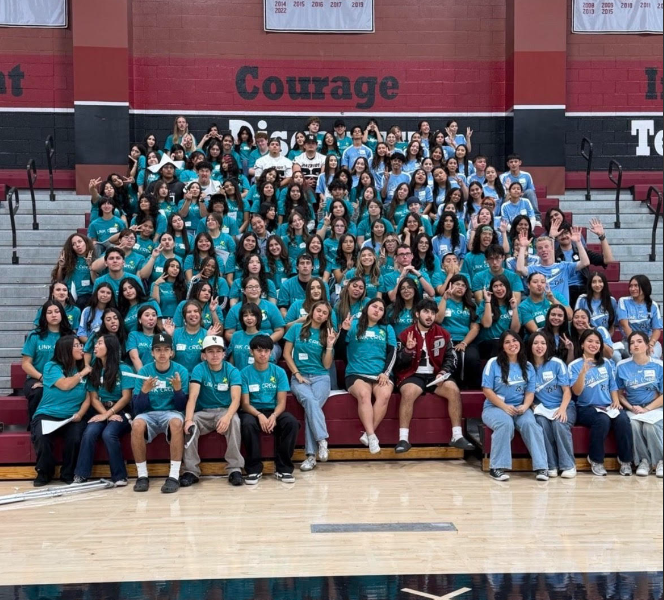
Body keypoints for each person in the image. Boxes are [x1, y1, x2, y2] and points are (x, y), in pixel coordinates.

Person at [394, 299, 474, 453]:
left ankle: (457, 436)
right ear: (417, 314)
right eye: (426, 312)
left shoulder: (443, 333)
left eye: (432, 312)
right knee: (408, 392)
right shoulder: (404, 334)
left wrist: (443, 372)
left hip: (436, 374)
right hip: (413, 375)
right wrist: (408, 351)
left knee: (453, 389)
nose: (430, 316)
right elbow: (397, 363)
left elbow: (451, 357)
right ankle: (403, 439)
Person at [481, 331, 549, 481]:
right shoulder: (493, 363)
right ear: (502, 346)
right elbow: (487, 390)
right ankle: (497, 467)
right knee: (505, 423)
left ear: (520, 343)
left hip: (519, 407)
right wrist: (504, 407)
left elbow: (530, 392)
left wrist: (525, 406)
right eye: (507, 342)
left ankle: (542, 467)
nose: (512, 344)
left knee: (531, 424)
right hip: (495, 407)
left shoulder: (528, 366)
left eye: (515, 341)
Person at [180, 335, 245, 487]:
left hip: (225, 410)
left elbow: (236, 399)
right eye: (210, 351)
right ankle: (191, 470)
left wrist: (227, 417)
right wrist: (188, 420)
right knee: (191, 424)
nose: (215, 355)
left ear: (224, 354)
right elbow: (193, 397)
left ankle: (235, 469)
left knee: (235, 421)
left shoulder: (232, 371)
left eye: (218, 351)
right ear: (204, 355)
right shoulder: (199, 369)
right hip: (204, 412)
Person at [569, 329, 634, 476]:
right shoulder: (574, 365)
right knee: (602, 419)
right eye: (590, 341)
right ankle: (596, 460)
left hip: (607, 406)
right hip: (586, 408)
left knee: (623, 419)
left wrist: (616, 401)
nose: (594, 344)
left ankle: (625, 461)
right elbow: (576, 392)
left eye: (597, 342)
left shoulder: (607, 363)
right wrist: (583, 373)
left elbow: (613, 386)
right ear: (582, 344)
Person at [131, 332, 189, 493]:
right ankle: (142, 475)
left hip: (172, 412)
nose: (162, 353)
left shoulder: (181, 371)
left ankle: (174, 475)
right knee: (136, 424)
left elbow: (181, 406)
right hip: (148, 413)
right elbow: (137, 409)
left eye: (166, 349)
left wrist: (178, 390)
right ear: (152, 352)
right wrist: (144, 392)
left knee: (176, 422)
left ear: (172, 352)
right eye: (158, 349)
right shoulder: (144, 371)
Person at [30, 336, 91, 486]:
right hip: (47, 413)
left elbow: (88, 398)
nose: (81, 348)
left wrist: (80, 414)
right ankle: (44, 472)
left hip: (72, 416)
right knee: (42, 438)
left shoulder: (84, 368)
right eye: (76, 345)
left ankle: (68, 473)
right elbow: (65, 385)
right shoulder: (51, 366)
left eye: (80, 345)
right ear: (66, 349)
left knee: (75, 438)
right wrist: (82, 373)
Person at [338, 298, 396, 454]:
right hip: (356, 373)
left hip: (381, 374)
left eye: (381, 309)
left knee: (384, 395)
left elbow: (392, 352)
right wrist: (343, 331)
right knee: (364, 394)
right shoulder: (353, 325)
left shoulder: (387, 328)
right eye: (374, 306)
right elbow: (339, 351)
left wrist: (386, 373)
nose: (377, 310)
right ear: (367, 308)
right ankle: (371, 435)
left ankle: (368, 435)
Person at [283, 301, 337, 471]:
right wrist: (297, 373)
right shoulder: (296, 329)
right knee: (311, 402)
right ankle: (322, 440)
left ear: (327, 317)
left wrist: (330, 345)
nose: (321, 314)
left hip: (321, 377)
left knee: (310, 409)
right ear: (312, 311)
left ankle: (311, 457)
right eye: (318, 310)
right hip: (300, 377)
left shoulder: (327, 334)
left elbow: (326, 365)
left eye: (325, 313)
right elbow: (286, 354)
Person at [73, 335, 133, 485]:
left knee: (108, 433)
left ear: (110, 347)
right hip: (101, 410)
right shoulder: (95, 369)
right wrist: (104, 414)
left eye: (99, 343)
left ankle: (120, 476)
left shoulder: (124, 368)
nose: (95, 346)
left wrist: (109, 414)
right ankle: (81, 475)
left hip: (121, 411)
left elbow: (126, 397)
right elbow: (93, 398)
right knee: (89, 432)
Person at [239, 335, 300, 484]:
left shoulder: (279, 372)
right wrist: (259, 415)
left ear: (271, 352)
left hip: (274, 410)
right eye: (259, 350)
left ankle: (283, 469)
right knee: (247, 424)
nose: (263, 354)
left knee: (291, 422)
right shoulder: (244, 373)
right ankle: (254, 469)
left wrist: (273, 416)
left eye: (266, 351)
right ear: (251, 352)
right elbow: (245, 404)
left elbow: (282, 402)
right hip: (252, 411)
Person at [526, 332, 576, 478]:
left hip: (564, 406)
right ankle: (551, 465)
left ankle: (568, 465)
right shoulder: (526, 367)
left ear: (548, 346)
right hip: (542, 409)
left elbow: (567, 391)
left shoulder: (557, 363)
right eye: (536, 343)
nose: (539, 346)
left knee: (559, 423)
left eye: (543, 343)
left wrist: (562, 409)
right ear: (530, 346)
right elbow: (524, 392)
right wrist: (532, 406)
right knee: (542, 423)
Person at [616, 331, 663, 478]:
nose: (635, 345)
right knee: (634, 425)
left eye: (639, 341)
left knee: (650, 427)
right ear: (629, 348)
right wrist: (631, 408)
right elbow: (618, 394)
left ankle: (660, 461)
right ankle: (644, 461)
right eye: (632, 343)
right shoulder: (621, 366)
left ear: (647, 345)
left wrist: (647, 409)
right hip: (634, 407)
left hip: (654, 407)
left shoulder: (659, 365)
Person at [22, 300, 74, 422]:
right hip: (37, 378)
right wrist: (42, 378)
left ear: (62, 314)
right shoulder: (35, 336)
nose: (54, 315)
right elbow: (26, 363)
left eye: (57, 311)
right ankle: (35, 426)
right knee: (38, 391)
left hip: (63, 378)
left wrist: (61, 381)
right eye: (49, 312)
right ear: (44, 316)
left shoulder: (70, 336)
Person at [516, 232, 590, 304]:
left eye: (546, 246)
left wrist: (578, 242)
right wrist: (522, 247)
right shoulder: (533, 269)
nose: (544, 250)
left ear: (552, 248)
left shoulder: (564, 266)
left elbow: (585, 262)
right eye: (540, 248)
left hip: (562, 309)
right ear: (537, 252)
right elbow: (520, 269)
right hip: (543, 309)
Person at [436, 274, 481, 389]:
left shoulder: (471, 305)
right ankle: (452, 386)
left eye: (463, 285)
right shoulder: (439, 301)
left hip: (466, 340)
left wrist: (464, 343)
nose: (460, 287)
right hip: (445, 340)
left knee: (472, 358)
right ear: (450, 285)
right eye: (457, 284)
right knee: (453, 358)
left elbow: (475, 328)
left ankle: (472, 389)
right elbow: (438, 319)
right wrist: (444, 299)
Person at [617, 274, 663, 359]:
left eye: (636, 286)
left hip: (648, 340)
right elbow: (624, 325)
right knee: (637, 356)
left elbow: (657, 329)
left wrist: (650, 344)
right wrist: (636, 343)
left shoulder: (653, 305)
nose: (632, 289)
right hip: (629, 341)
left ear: (645, 287)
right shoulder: (623, 301)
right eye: (631, 286)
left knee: (653, 356)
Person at [477, 275, 521, 359]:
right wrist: (488, 301)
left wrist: (514, 308)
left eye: (501, 285)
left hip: (507, 342)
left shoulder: (513, 305)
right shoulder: (484, 303)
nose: (499, 289)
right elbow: (486, 324)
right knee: (497, 344)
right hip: (488, 343)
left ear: (507, 287)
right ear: (491, 289)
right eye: (495, 286)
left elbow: (515, 330)